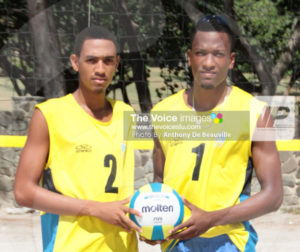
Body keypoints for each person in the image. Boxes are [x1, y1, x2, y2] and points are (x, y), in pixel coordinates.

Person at [150, 15, 283, 252]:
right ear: (190, 57)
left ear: (231, 60)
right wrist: (154, 224)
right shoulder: (163, 113)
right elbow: (159, 182)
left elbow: (273, 195)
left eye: (218, 54)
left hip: (229, 240)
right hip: (176, 242)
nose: (208, 62)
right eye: (201, 53)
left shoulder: (255, 113)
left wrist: (211, 218)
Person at [14, 26, 142, 252]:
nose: (100, 69)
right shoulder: (49, 114)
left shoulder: (126, 114)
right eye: (91, 60)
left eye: (108, 61)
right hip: (69, 245)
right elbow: (23, 191)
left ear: (117, 64)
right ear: (75, 62)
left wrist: (149, 225)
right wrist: (95, 209)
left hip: (121, 246)